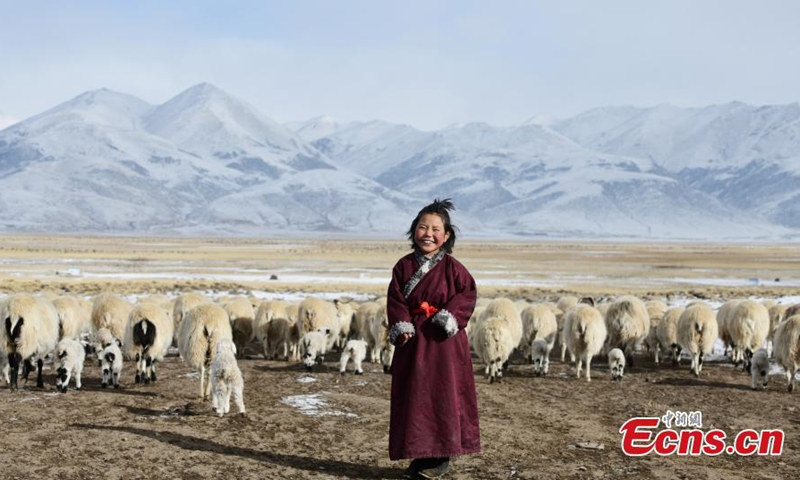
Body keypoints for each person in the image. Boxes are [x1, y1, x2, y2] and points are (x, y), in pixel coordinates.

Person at [386, 198, 481, 479]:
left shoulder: (455, 269)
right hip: (413, 342)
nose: (428, 233)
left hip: (444, 343)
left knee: (443, 395)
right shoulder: (403, 267)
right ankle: (420, 453)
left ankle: (440, 457)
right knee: (414, 396)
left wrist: (449, 317)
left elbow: (467, 296)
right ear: (414, 230)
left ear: (447, 236)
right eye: (422, 227)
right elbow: (395, 299)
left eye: (435, 229)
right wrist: (402, 325)